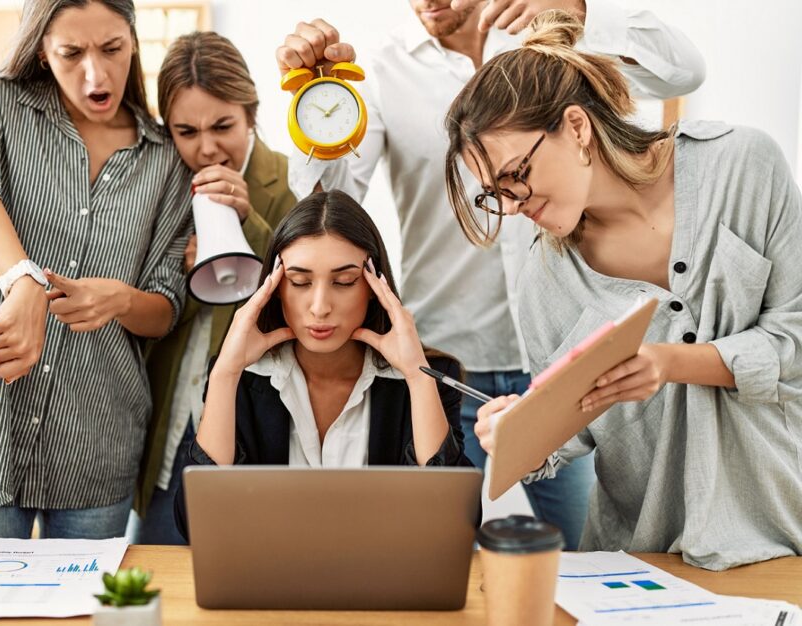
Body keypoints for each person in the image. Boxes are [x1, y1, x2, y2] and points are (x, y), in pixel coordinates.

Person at [275, 0, 706, 548]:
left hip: (562, 359)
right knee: (437, 551)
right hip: (452, 364)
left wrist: (579, 9)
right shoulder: (383, 67)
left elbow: (683, 71)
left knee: (579, 556)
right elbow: (328, 204)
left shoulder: (550, 37)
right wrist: (313, 102)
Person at [446, 11, 802, 571]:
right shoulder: (544, 279)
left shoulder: (745, 167)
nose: (513, 206)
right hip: (639, 564)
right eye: (495, 194)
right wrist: (521, 427)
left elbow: (795, 344)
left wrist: (669, 361)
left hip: (780, 539)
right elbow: (572, 431)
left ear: (577, 128)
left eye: (516, 175)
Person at [0, 0, 192, 541]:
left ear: (134, 41)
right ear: (43, 53)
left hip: (99, 450)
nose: (96, 73)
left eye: (113, 49)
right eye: (71, 53)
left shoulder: (166, 158)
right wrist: (20, 276)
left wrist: (120, 300)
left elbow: (166, 306)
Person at [174, 190, 475, 539]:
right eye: (299, 282)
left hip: (383, 585)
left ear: (376, 287)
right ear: (274, 289)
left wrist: (417, 377)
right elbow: (196, 526)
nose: (319, 306)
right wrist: (225, 373)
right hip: (269, 583)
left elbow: (457, 525)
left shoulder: (425, 381)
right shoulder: (243, 377)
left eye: (343, 282)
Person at [134, 31, 297, 545]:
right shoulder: (161, 187)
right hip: (172, 422)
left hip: (256, 425)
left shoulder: (291, 183)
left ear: (251, 113)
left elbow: (307, 303)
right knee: (160, 572)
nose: (206, 147)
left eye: (223, 125)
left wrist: (247, 227)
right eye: (186, 131)